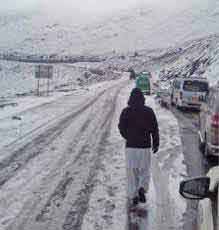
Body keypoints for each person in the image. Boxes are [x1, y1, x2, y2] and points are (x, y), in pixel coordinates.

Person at [118, 88, 159, 207]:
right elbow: (154, 129)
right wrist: (156, 143)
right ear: (142, 98)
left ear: (130, 98)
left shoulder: (126, 111)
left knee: (132, 172)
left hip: (131, 146)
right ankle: (142, 188)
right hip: (145, 146)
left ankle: (133, 195)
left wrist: (127, 136)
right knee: (144, 170)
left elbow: (121, 127)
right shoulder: (149, 111)